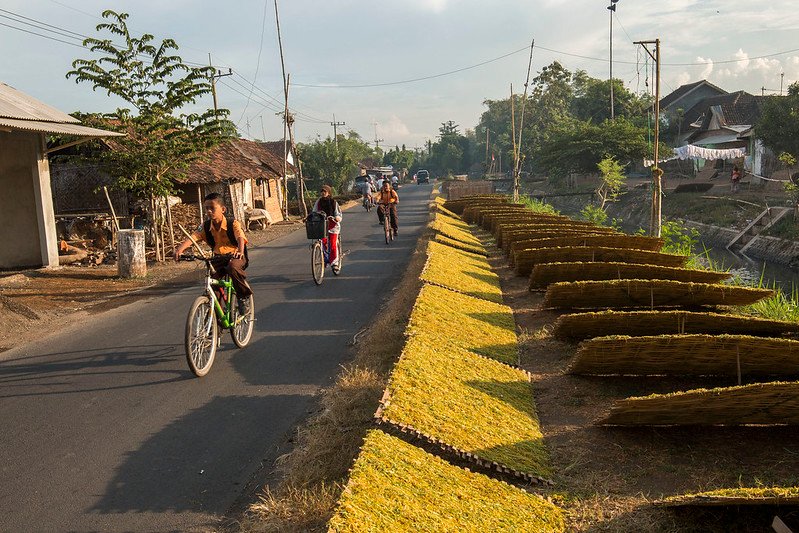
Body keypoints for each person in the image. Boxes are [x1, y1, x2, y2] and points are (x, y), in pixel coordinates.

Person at [174, 193, 252, 315]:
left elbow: (240, 238)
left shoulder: (232, 223)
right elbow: (193, 237)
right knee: (213, 283)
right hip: (218, 258)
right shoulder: (205, 226)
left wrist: (240, 251)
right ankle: (216, 317)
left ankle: (243, 296)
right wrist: (180, 249)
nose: (209, 211)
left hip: (235, 256)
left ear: (223, 209)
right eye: (207, 208)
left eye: (212, 208)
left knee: (232, 267)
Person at [313, 185, 342, 270]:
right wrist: (309, 217)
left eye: (325, 191)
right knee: (323, 242)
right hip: (322, 225)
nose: (323, 193)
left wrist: (337, 218)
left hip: (333, 225)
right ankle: (325, 260)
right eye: (322, 191)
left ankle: (335, 263)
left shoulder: (333, 202)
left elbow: (338, 213)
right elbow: (314, 211)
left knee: (332, 244)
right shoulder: (318, 202)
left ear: (329, 193)